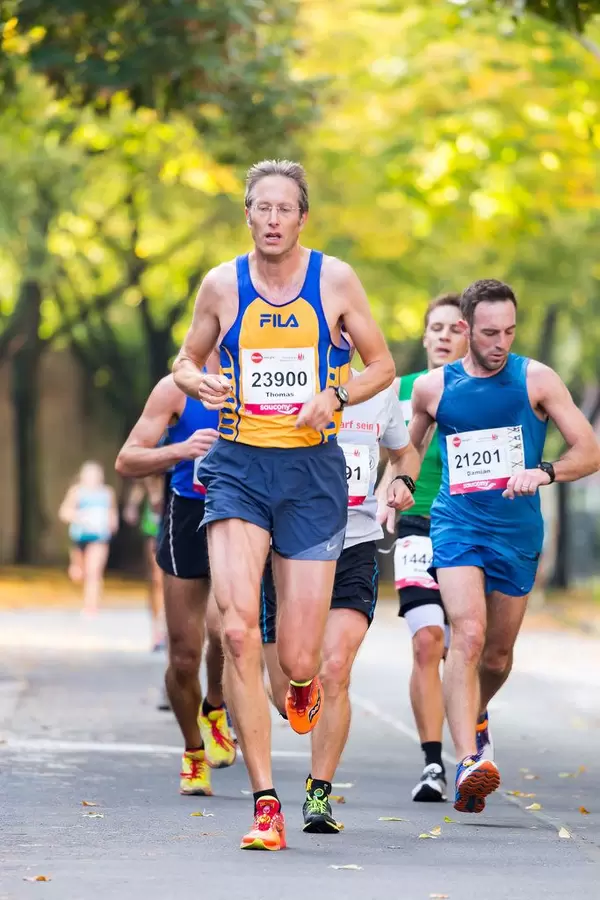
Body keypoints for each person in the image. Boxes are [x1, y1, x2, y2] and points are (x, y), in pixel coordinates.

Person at [172, 159, 396, 850]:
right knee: (238, 631)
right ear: (247, 215)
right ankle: (265, 803)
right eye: (260, 207)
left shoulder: (335, 280)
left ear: (302, 218)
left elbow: (383, 365)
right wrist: (198, 382)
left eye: (284, 209)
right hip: (238, 467)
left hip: (311, 474)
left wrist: (336, 394)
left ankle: (300, 683)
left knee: (300, 660)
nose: (272, 219)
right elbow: (185, 360)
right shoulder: (220, 284)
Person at [409, 278, 600, 814]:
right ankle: (469, 762)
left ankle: (474, 712)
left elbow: (589, 450)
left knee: (496, 657)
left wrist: (545, 471)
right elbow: (409, 448)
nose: (501, 343)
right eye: (490, 333)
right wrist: (397, 484)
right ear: (466, 328)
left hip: (517, 533)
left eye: (509, 332)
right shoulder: (434, 387)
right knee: (467, 634)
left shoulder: (536, 379)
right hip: (457, 523)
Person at [261, 355, 421, 833]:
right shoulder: (285, 381)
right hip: (292, 548)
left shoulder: (380, 390)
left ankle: (319, 793)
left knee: (335, 668)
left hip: (355, 543)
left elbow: (405, 453)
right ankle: (296, 682)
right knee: (287, 693)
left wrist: (402, 481)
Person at [115, 351, 236, 798]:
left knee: (225, 631)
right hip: (187, 514)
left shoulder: (266, 383)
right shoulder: (176, 389)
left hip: (241, 516)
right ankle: (193, 751)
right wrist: (181, 450)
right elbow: (127, 460)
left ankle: (216, 706)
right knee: (184, 655)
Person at [376, 293, 467, 803]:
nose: (445, 336)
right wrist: (382, 497)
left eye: (456, 328)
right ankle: (434, 763)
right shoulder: (401, 389)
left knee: (467, 645)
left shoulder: (483, 392)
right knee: (428, 641)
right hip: (417, 523)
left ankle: (473, 737)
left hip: (470, 528)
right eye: (437, 328)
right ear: (426, 335)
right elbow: (383, 451)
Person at [58, 461, 119, 616]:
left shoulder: (107, 493)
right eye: (89, 475)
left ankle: (91, 606)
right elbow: (64, 512)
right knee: (79, 574)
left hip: (99, 537)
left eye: (96, 475)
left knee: (94, 572)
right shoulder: (76, 492)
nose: (93, 478)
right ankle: (77, 571)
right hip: (79, 537)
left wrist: (112, 523)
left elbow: (112, 512)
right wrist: (79, 516)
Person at [123, 475, 166, 651]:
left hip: (184, 510)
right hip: (156, 519)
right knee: (157, 578)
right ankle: (158, 629)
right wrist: (132, 505)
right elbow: (142, 478)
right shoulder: (153, 473)